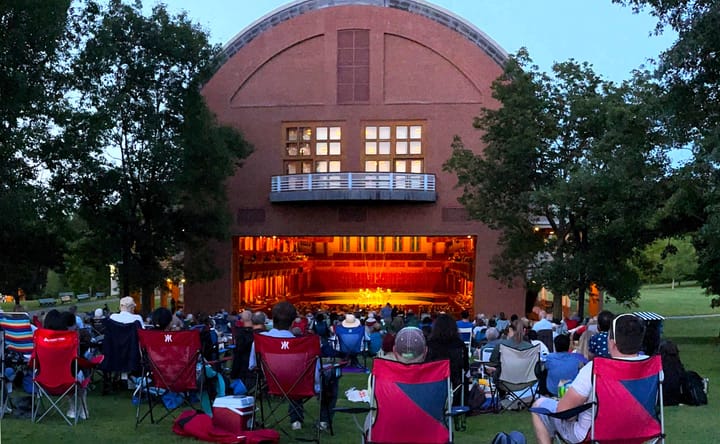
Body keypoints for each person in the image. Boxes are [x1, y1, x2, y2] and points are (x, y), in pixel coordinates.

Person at [531, 313, 648, 444]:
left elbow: (563, 410)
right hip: (637, 431)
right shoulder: (652, 368)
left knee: (539, 405)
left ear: (613, 343)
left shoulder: (595, 369)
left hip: (594, 434)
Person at [248, 301, 338, 432]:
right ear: (292, 322)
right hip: (299, 383)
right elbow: (316, 374)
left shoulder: (260, 341)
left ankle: (296, 420)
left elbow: (253, 366)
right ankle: (324, 421)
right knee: (331, 373)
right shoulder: (305, 343)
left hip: (274, 383)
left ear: (272, 319)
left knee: (293, 375)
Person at [426, 313, 469, 406]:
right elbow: (466, 366)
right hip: (455, 383)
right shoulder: (459, 344)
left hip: (435, 382)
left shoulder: (430, 344)